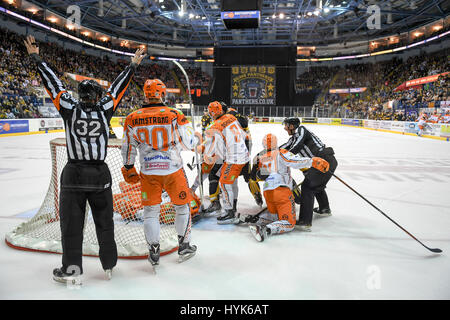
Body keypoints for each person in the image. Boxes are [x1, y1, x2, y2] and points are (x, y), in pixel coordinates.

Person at [23, 35, 147, 283]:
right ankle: (109, 266)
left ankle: (72, 269)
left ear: (80, 94)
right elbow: (118, 89)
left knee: (71, 227)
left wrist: (35, 56)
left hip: (74, 175)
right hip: (100, 175)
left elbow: (53, 84)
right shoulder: (104, 109)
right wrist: (132, 65)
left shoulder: (69, 107)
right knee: (105, 224)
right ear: (97, 95)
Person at [121, 78, 198, 267]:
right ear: (162, 94)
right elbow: (188, 143)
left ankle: (154, 251)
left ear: (146, 95)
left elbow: (128, 147)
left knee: (150, 212)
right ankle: (184, 245)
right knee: (182, 207)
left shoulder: (132, 117)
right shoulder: (175, 114)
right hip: (173, 170)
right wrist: (195, 137)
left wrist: (129, 166)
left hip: (149, 172)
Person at [246, 134, 329, 241]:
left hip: (268, 192)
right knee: (289, 223)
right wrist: (312, 161)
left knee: (276, 217)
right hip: (281, 191)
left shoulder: (262, 158)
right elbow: (294, 161)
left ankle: (255, 219)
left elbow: (258, 177)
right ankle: (265, 230)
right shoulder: (281, 152)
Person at [279, 117, 338, 231]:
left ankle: (305, 221)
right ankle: (324, 209)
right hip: (318, 163)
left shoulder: (302, 130)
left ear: (292, 126)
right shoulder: (292, 139)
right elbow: (282, 149)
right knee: (315, 185)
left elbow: (297, 145)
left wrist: (288, 156)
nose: (285, 128)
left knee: (308, 187)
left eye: (286, 125)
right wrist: (267, 153)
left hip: (325, 160)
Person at [203, 101, 249, 224]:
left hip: (234, 158)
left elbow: (213, 147)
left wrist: (203, 151)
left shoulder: (215, 126)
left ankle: (230, 212)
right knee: (231, 181)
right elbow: (245, 135)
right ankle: (232, 207)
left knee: (224, 182)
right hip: (243, 154)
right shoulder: (232, 117)